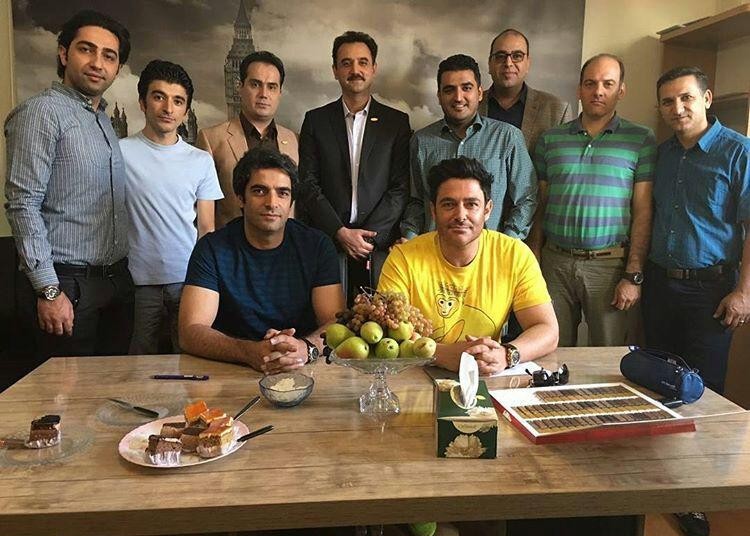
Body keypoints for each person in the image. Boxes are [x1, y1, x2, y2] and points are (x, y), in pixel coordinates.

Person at [644, 67, 749, 536]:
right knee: (658, 384)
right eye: (668, 101)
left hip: (712, 291)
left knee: (704, 395)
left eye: (685, 98)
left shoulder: (738, 152)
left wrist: (744, 292)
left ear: (707, 98)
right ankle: (661, 480)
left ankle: (697, 497)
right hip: (660, 285)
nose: (677, 109)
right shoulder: (663, 154)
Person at [4, 10, 134, 367]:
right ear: (64, 54)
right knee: (64, 393)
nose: (97, 63)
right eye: (86, 49)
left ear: (117, 68)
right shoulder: (41, 113)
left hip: (113, 281)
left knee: (110, 388)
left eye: (109, 56)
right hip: (65, 285)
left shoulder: (102, 120)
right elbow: (23, 204)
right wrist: (48, 290)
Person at [380, 156, 557, 374]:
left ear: (487, 210)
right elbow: (387, 332)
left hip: (486, 373)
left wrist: (506, 354)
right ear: (433, 211)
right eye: (449, 205)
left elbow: (547, 330)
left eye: (471, 204)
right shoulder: (403, 258)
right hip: (415, 373)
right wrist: (442, 354)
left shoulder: (514, 254)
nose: (460, 215)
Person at [179, 148, 344, 373]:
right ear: (241, 198)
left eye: (283, 193)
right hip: (229, 369)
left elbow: (336, 322)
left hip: (302, 368)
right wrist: (248, 352)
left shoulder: (317, 246)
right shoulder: (212, 249)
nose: (272, 202)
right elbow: (190, 331)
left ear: (291, 202)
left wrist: (305, 348)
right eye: (259, 191)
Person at [529, 54, 656, 347]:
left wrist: (633, 274)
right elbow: (540, 205)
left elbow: (643, 211)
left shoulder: (640, 139)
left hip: (609, 267)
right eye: (590, 83)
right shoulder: (551, 140)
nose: (598, 91)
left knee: (608, 355)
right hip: (555, 264)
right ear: (579, 89)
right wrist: (534, 257)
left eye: (608, 84)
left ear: (621, 90)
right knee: (550, 350)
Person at [298, 31, 410, 303]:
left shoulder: (396, 123)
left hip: (378, 246)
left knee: (380, 321)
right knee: (329, 320)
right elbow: (308, 184)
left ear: (374, 68)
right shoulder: (316, 121)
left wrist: (367, 238)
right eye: (346, 63)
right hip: (329, 242)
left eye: (363, 62)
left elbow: (400, 187)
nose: (355, 70)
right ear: (335, 70)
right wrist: (340, 232)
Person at [120, 60, 223, 354]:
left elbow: (206, 228)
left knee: (190, 358)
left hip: (188, 281)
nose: (168, 108)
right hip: (137, 283)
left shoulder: (200, 160)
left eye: (178, 101)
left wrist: (206, 280)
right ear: (143, 102)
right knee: (138, 360)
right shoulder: (120, 153)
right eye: (159, 97)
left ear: (186, 110)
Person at [400, 54, 536, 242]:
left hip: (488, 253)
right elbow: (416, 201)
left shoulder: (507, 138)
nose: (458, 97)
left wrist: (505, 243)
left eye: (466, 88)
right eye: (449, 90)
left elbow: (526, 199)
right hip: (432, 252)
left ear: (479, 93)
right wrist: (410, 239)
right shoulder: (421, 141)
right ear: (439, 96)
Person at [197, 51, 298, 229]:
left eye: (272, 87)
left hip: (285, 244)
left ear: (279, 93)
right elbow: (204, 214)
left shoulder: (294, 140)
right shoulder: (211, 139)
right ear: (240, 87)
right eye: (255, 84)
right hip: (230, 244)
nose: (263, 94)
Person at [479, 28, 572, 153]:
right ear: (490, 64)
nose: (508, 63)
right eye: (500, 56)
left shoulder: (557, 110)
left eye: (517, 56)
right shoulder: (471, 106)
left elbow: (562, 161)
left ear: (528, 63)